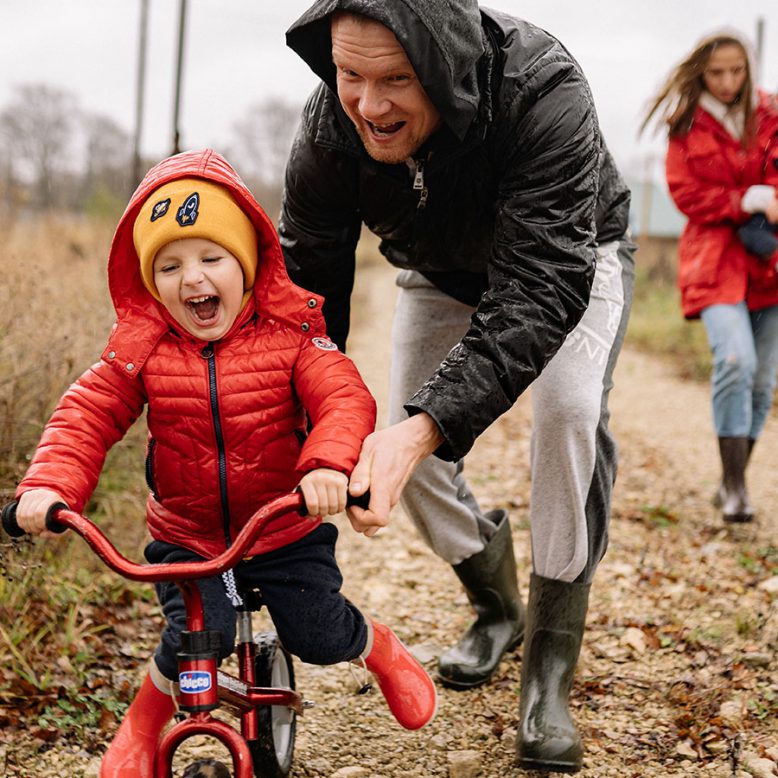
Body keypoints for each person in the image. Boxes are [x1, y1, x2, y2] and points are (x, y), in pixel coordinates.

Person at [280, 2, 635, 772]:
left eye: (396, 80)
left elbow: (541, 287)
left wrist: (422, 427)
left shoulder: (544, 88)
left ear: (440, 63)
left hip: (569, 256)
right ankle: (496, 605)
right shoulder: (328, 130)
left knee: (567, 413)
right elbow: (306, 297)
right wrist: (302, 427)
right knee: (407, 443)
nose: (369, 106)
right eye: (349, 76)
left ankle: (548, 666)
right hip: (438, 271)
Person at [14, 149, 437, 778]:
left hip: (283, 527)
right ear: (150, 282)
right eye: (170, 265)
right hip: (188, 536)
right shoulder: (142, 350)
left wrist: (325, 465)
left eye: (212, 258)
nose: (193, 280)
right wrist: (49, 485)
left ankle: (377, 649)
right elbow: (87, 415)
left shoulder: (292, 338)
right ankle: (140, 729)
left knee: (317, 632)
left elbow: (344, 397)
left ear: (245, 264)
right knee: (194, 638)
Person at [643, 31, 778, 524]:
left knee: (764, 380)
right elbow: (685, 192)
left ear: (748, 69)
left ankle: (730, 481)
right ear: (702, 71)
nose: (726, 82)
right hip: (716, 258)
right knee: (736, 360)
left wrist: (771, 200)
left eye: (736, 71)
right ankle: (738, 487)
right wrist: (743, 201)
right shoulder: (686, 123)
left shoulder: (771, 114)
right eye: (717, 72)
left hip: (770, 261)